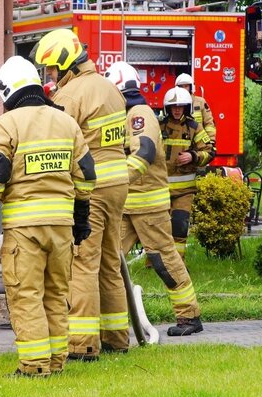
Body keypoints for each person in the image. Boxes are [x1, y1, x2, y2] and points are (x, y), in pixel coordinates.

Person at [0, 56, 96, 377]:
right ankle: (56, 362)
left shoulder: (7, 124)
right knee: (56, 295)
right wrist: (81, 217)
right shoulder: (66, 122)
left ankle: (34, 366)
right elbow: (86, 174)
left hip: (24, 231)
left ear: (6, 91)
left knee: (26, 295)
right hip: (62, 229)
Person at [32, 29, 130, 360]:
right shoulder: (109, 87)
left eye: (52, 69)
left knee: (83, 263)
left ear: (65, 64)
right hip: (119, 185)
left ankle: (83, 343)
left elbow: (58, 142)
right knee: (110, 262)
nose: (50, 75)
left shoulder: (71, 96)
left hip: (93, 187)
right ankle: (116, 337)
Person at [105, 62, 203, 336]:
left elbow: (144, 152)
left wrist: (118, 179)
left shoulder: (139, 114)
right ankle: (109, 324)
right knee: (108, 259)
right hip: (125, 206)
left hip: (148, 206)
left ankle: (189, 316)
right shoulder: (121, 115)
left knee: (164, 260)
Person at [160, 87, 216, 261]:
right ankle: (154, 263)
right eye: (174, 107)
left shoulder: (193, 127)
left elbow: (209, 152)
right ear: (168, 108)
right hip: (160, 189)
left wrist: (193, 156)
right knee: (159, 227)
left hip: (184, 191)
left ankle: (177, 263)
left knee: (179, 225)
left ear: (186, 107)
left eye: (181, 106)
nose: (177, 110)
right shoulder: (159, 126)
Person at [175, 73, 217, 146]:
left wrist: (211, 141)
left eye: (186, 86)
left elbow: (209, 123)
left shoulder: (200, 102)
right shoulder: (174, 104)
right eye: (181, 86)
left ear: (191, 87)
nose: (184, 89)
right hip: (182, 143)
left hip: (200, 142)